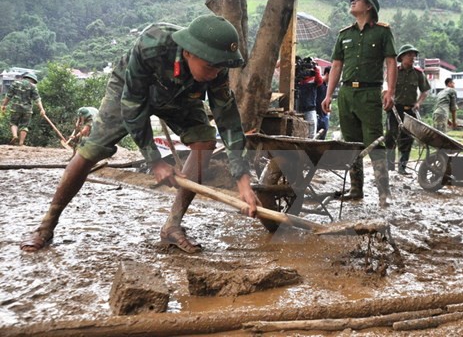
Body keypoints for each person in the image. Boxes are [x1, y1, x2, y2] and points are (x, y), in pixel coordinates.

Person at [20, 14, 260, 253]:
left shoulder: (216, 65)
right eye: (210, 67)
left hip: (181, 94)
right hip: (130, 90)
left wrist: (243, 181)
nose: (215, 73)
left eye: (220, 68)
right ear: (189, 52)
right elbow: (133, 106)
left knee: (204, 142)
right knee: (91, 150)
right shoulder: (152, 44)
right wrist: (154, 160)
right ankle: (46, 226)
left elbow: (228, 120)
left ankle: (172, 227)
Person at [321, 0, 397, 208]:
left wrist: (390, 91)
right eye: (352, 0)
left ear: (369, 7)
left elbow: (390, 62)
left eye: (358, 0)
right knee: (350, 143)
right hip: (346, 94)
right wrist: (328, 95)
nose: (352, 2)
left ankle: (384, 192)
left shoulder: (382, 32)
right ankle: (356, 189)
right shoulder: (345, 34)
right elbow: (336, 65)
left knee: (373, 141)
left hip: (370, 93)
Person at [385, 43, 431, 175]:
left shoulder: (418, 74)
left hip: (410, 110)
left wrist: (418, 103)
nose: (413, 58)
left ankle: (402, 167)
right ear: (402, 57)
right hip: (394, 109)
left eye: (414, 55)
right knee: (390, 135)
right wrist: (388, 98)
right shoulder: (394, 72)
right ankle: (389, 166)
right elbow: (385, 88)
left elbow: (425, 91)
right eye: (410, 55)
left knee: (407, 138)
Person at [1, 72, 46, 146]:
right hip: (27, 110)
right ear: (32, 80)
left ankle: (15, 136)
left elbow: (8, 96)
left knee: (13, 123)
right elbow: (37, 99)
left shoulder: (15, 84)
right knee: (24, 126)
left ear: (25, 77)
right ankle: (21, 143)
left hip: (16, 108)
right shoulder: (33, 86)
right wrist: (42, 109)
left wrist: (4, 105)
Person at [295, 56, 323, 138]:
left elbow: (320, 81)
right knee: (298, 131)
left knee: (311, 132)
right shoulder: (298, 79)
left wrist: (316, 69)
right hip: (298, 109)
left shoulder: (314, 78)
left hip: (310, 108)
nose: (307, 71)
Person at [316, 66, 331, 140]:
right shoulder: (319, 83)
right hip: (318, 114)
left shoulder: (326, 86)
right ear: (327, 74)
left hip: (324, 115)